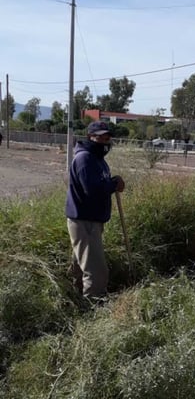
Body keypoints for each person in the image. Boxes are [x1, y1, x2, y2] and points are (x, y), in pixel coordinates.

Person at [65, 121, 125, 300]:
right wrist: (114, 184)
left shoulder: (97, 159)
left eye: (107, 138)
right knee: (96, 270)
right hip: (85, 221)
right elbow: (92, 189)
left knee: (81, 265)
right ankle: (94, 306)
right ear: (90, 137)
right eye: (100, 137)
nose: (105, 142)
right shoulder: (85, 159)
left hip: (91, 221)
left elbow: (100, 183)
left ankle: (76, 301)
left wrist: (112, 181)